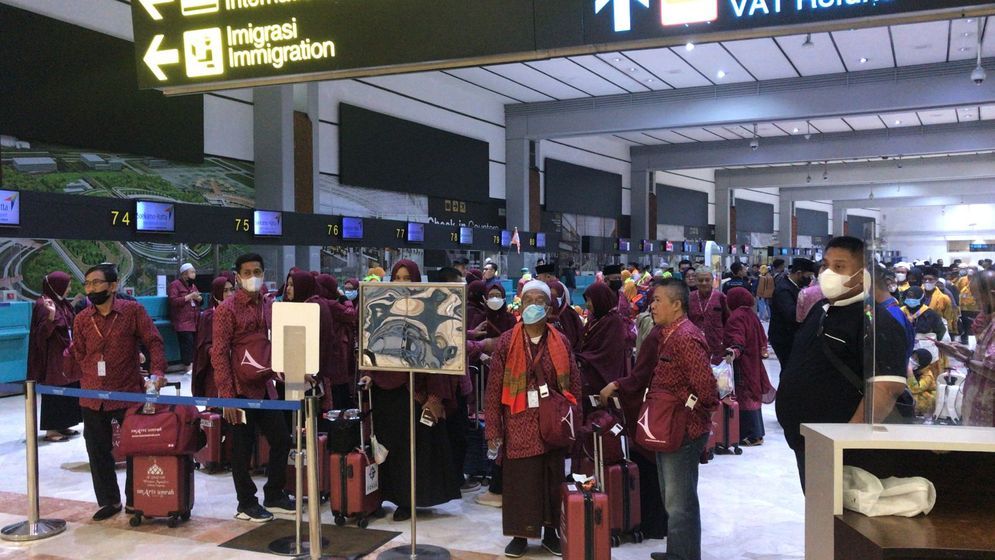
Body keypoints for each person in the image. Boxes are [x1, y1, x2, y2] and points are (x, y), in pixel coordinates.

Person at [600, 279, 719, 560]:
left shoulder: (686, 338)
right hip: (669, 428)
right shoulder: (667, 334)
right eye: (652, 300)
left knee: (681, 502)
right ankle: (677, 551)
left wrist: (691, 413)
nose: (651, 306)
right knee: (672, 497)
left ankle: (684, 556)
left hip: (684, 430)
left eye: (658, 301)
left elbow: (707, 389)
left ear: (677, 305)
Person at [775, 237, 907, 489]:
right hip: (809, 441)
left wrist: (846, 440)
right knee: (820, 514)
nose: (827, 273)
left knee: (843, 519)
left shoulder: (875, 321)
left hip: (844, 451)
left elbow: (885, 389)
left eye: (839, 267)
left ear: (861, 275)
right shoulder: (820, 310)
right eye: (825, 265)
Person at [359, 260, 462, 521]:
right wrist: (369, 374)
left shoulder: (428, 310)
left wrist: (435, 395)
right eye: (397, 277)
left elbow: (438, 354)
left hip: (413, 392)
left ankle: (408, 500)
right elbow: (370, 346)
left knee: (411, 450)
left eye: (407, 278)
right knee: (384, 446)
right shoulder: (379, 309)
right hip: (384, 392)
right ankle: (382, 495)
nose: (402, 282)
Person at [485, 280, 581, 557]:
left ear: (549, 308)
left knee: (551, 479)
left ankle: (550, 532)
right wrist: (494, 429)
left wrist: (576, 425)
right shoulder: (506, 341)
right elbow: (493, 389)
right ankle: (520, 534)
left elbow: (574, 384)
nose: (534, 306)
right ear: (521, 304)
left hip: (552, 424)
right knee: (520, 483)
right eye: (529, 301)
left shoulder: (560, 341)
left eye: (541, 301)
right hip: (517, 423)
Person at [71, 263, 167, 520]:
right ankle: (109, 501)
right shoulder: (81, 319)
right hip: (92, 396)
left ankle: (135, 498)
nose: (90, 288)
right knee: (97, 450)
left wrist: (157, 372)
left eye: (96, 283)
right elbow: (79, 352)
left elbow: (154, 341)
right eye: (87, 283)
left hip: (127, 392)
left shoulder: (132, 311)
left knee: (135, 448)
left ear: (113, 286)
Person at [212, 253, 294, 522]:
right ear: (237, 276)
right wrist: (227, 397)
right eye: (246, 272)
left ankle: (274, 493)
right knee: (241, 449)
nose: (252, 277)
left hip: (266, 386)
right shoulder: (227, 309)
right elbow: (220, 353)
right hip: (238, 388)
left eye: (256, 271)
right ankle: (245, 503)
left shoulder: (270, 305)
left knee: (281, 439)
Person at [29, 271, 81, 442]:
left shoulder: (61, 302)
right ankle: (51, 430)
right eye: (67, 285)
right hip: (53, 357)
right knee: (54, 391)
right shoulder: (44, 304)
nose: (69, 288)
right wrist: (51, 316)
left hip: (67, 355)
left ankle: (63, 424)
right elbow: (40, 335)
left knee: (69, 388)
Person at [938, 268, 995, 427]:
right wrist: (965, 351)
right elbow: (987, 356)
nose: (975, 301)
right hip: (980, 405)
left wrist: (963, 358)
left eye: (977, 296)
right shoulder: (990, 321)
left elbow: (992, 369)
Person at [723, 287, 774, 446]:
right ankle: (757, 433)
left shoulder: (736, 317)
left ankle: (751, 435)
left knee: (744, 396)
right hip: (754, 363)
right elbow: (763, 338)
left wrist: (733, 352)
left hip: (742, 364)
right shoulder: (752, 315)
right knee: (753, 395)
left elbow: (737, 340)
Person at [577, 282, 630, 410]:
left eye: (590, 300)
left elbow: (605, 353)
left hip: (602, 374)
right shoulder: (595, 319)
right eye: (587, 300)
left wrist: (582, 358)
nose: (588, 304)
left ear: (600, 299)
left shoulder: (613, 322)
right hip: (589, 369)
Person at [768, 258, 816, 369]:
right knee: (788, 369)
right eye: (808, 276)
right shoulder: (784, 290)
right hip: (783, 338)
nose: (810, 279)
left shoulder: (793, 287)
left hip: (789, 336)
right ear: (799, 273)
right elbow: (791, 314)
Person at [192, 276, 234, 398]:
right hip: (214, 368)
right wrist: (216, 352)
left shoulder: (237, 313)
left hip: (235, 365)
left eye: (232, 290)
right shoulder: (209, 315)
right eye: (225, 291)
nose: (229, 294)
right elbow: (203, 344)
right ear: (216, 292)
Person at [688, 267, 729, 364]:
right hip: (694, 343)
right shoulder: (689, 297)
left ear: (712, 280)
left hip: (717, 343)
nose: (704, 283)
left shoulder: (720, 297)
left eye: (707, 280)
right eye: (700, 280)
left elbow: (727, 320)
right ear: (696, 281)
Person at [167, 263, 201, 374]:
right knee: (187, 344)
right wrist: (189, 296)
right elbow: (173, 301)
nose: (194, 274)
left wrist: (198, 298)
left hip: (194, 320)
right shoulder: (175, 285)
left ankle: (194, 366)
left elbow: (199, 301)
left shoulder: (193, 286)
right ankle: (188, 368)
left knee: (195, 343)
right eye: (192, 272)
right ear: (184, 274)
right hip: (182, 321)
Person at [604, 263, 636, 348]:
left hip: (623, 337)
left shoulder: (622, 295)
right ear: (606, 280)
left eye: (619, 278)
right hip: (607, 338)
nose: (618, 280)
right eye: (615, 278)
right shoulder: (601, 296)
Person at [921, 267, 959, 339]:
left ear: (936, 280)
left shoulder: (944, 298)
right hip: (920, 331)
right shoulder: (918, 294)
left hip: (937, 331)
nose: (927, 281)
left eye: (930, 279)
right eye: (925, 279)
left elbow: (949, 318)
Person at [547, 279, 583, 352]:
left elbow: (579, 336)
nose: (554, 300)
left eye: (556, 296)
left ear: (562, 295)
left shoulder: (570, 314)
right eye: (551, 296)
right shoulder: (543, 313)